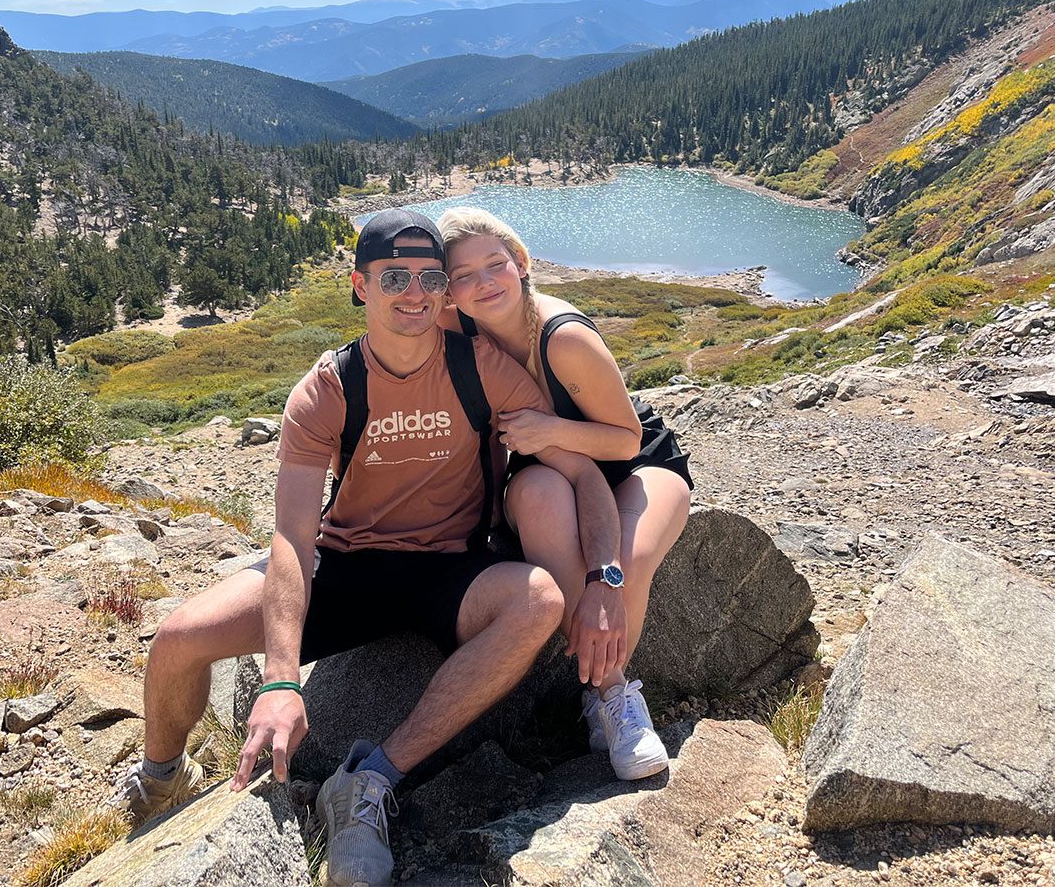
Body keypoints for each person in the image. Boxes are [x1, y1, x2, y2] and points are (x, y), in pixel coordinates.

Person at [108, 209, 627, 887]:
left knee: (537, 600)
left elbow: (584, 472)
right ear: (360, 284)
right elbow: (292, 537)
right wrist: (281, 677)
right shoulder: (327, 388)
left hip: (451, 566)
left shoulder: (485, 370)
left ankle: (369, 779)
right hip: (345, 567)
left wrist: (606, 578)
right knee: (176, 640)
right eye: (395, 277)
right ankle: (161, 781)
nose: (415, 292)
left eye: (430, 277)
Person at [437, 206, 694, 782]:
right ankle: (605, 692)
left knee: (626, 560)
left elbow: (626, 437)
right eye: (463, 275)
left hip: (631, 458)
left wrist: (553, 430)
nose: (484, 283)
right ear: (450, 291)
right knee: (541, 507)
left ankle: (614, 701)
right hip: (545, 464)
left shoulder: (565, 338)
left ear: (522, 264)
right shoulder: (457, 326)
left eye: (496, 265)